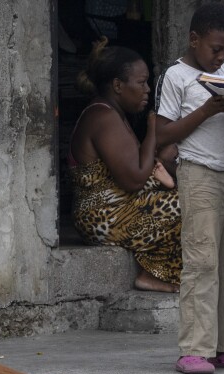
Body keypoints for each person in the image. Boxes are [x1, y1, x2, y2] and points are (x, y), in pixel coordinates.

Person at [155, 2, 224, 374]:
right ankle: (195, 348)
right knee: (202, 262)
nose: (221, 57)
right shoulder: (175, 77)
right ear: (194, 40)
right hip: (200, 175)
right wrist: (208, 110)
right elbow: (162, 133)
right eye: (215, 48)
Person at [69, 40, 182, 294]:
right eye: (141, 83)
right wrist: (153, 128)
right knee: (191, 206)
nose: (147, 89)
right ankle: (152, 274)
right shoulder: (103, 117)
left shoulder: (112, 112)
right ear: (118, 85)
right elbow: (134, 180)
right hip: (104, 216)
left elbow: (137, 167)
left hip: (116, 208)